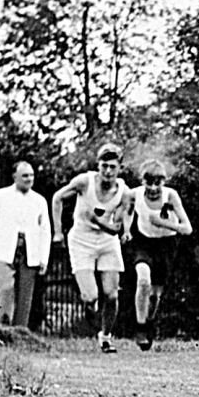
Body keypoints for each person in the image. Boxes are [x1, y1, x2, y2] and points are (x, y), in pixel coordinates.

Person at [52, 143, 130, 354]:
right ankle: (90, 305)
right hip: (81, 240)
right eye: (104, 166)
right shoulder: (84, 182)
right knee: (90, 296)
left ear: (119, 168)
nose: (107, 171)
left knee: (112, 295)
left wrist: (112, 226)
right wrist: (58, 231)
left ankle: (105, 337)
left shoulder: (123, 192)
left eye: (112, 167)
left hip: (107, 241)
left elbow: (117, 226)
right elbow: (57, 198)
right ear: (98, 165)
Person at [122, 159, 192, 351]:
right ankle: (140, 327)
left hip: (166, 245)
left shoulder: (171, 196)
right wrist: (127, 230)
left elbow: (187, 228)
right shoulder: (134, 194)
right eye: (148, 183)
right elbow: (127, 213)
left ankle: (149, 322)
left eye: (157, 183)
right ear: (142, 181)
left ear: (164, 181)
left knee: (155, 296)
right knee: (143, 280)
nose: (153, 188)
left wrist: (165, 224)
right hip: (143, 243)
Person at [0, 161, 51, 327]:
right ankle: (0, 328)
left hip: (29, 250)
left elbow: (45, 231)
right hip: (4, 248)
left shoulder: (39, 201)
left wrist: (43, 258)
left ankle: (19, 332)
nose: (29, 179)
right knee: (4, 289)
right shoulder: (0, 196)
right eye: (25, 175)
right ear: (14, 176)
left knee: (26, 294)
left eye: (31, 175)